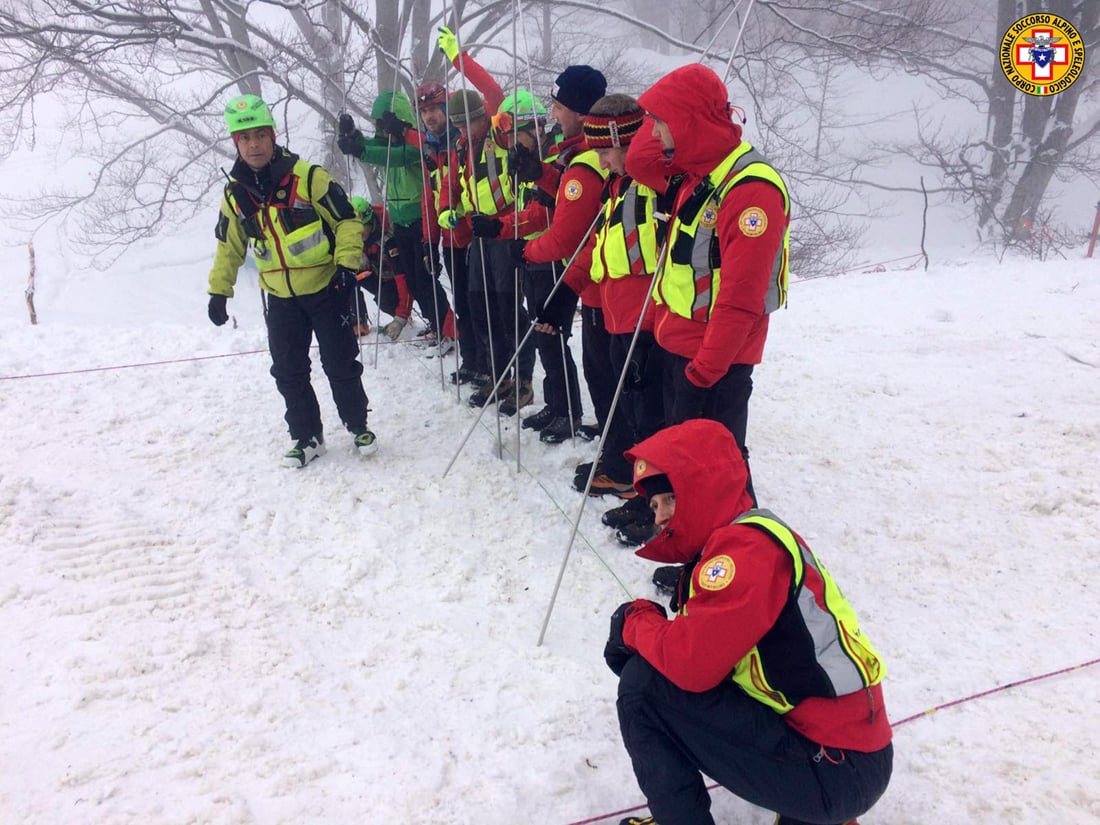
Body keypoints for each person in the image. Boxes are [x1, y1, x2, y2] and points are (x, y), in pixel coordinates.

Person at [605, 419, 892, 825]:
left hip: (836, 767)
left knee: (642, 686)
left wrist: (633, 622)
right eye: (653, 506)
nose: (660, 517)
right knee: (665, 674)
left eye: (670, 498)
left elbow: (689, 664)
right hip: (847, 755)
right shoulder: (749, 536)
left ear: (704, 486)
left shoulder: (742, 551)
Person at [629, 63, 791, 505]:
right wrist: (652, 335)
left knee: (718, 468)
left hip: (715, 362)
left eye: (660, 122)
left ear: (687, 123)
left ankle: (736, 540)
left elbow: (741, 300)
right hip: (680, 346)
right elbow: (638, 162)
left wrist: (702, 374)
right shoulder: (695, 175)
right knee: (686, 463)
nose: (652, 133)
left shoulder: (750, 190)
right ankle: (684, 531)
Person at [207, 94, 377, 467]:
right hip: (280, 297)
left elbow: (347, 221)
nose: (253, 145)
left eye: (259, 135)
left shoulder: (309, 177)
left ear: (272, 136)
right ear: (236, 142)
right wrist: (219, 291)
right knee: (288, 370)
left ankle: (358, 425)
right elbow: (229, 246)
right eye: (244, 138)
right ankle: (307, 437)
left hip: (326, 288)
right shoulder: (235, 195)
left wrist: (347, 264)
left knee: (340, 363)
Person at [583, 95, 681, 544]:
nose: (602, 162)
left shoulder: (651, 177)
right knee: (634, 412)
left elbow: (646, 153)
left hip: (647, 316)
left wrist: (633, 135)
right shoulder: (618, 185)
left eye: (606, 150)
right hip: (619, 315)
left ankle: (660, 502)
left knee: (650, 416)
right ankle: (645, 493)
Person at [336, 90, 456, 355]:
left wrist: (361, 150)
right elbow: (380, 148)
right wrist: (354, 138)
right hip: (400, 221)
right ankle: (436, 324)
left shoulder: (418, 145)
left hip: (420, 219)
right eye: (378, 123)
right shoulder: (389, 144)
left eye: (385, 122)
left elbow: (395, 155)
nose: (382, 128)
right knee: (413, 279)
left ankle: (449, 329)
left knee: (426, 279)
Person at [347, 196, 413, 341]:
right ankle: (358, 322)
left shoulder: (388, 239)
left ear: (370, 223)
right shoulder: (355, 236)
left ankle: (403, 318)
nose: (358, 235)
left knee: (384, 300)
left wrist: (400, 317)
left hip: (395, 278)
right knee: (347, 276)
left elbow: (402, 278)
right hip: (375, 273)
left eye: (361, 230)